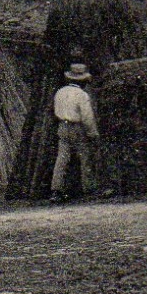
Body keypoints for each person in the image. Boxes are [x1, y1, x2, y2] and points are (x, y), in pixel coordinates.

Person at [50, 63, 100, 202]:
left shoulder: (60, 92)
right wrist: (92, 133)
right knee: (85, 158)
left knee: (62, 159)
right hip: (77, 127)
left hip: (62, 126)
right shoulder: (82, 95)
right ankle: (88, 189)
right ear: (83, 81)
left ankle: (56, 190)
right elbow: (87, 117)